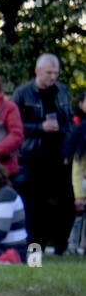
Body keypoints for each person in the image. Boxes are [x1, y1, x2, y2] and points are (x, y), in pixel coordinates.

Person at [11, 54, 73, 252]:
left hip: (60, 157)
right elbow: (14, 125)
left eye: (56, 73)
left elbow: (69, 119)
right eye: (49, 72)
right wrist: (40, 127)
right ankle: (35, 250)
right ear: (37, 71)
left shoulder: (62, 91)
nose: (53, 77)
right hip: (33, 159)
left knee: (68, 203)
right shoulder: (22, 93)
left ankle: (60, 248)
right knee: (36, 208)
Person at [62, 90, 86, 254]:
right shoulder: (80, 128)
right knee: (78, 215)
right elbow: (77, 167)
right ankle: (72, 245)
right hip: (82, 182)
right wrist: (79, 194)